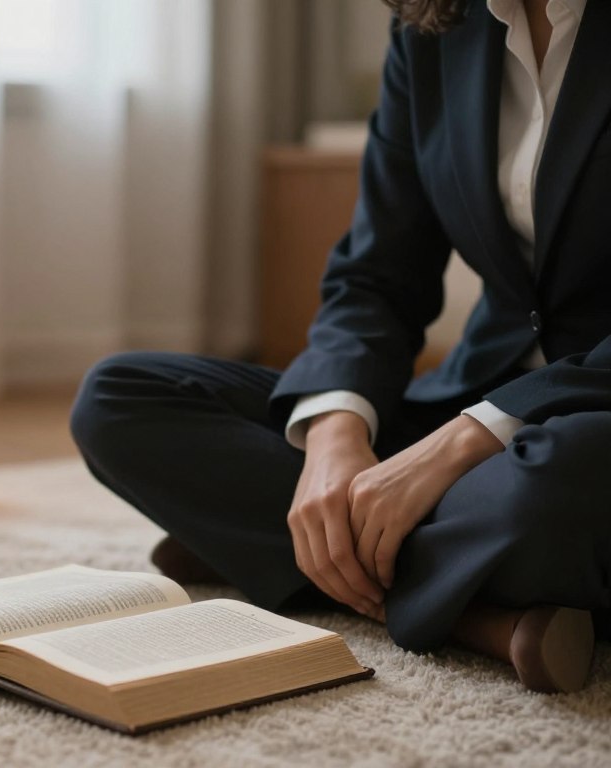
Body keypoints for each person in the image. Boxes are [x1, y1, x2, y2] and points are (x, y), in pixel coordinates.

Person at [70, 0, 611, 693]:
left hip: (580, 428)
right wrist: (335, 437)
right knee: (119, 399)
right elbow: (376, 274)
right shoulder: (435, 25)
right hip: (471, 392)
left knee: (553, 490)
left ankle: (288, 553)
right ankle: (471, 607)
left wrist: (458, 447)